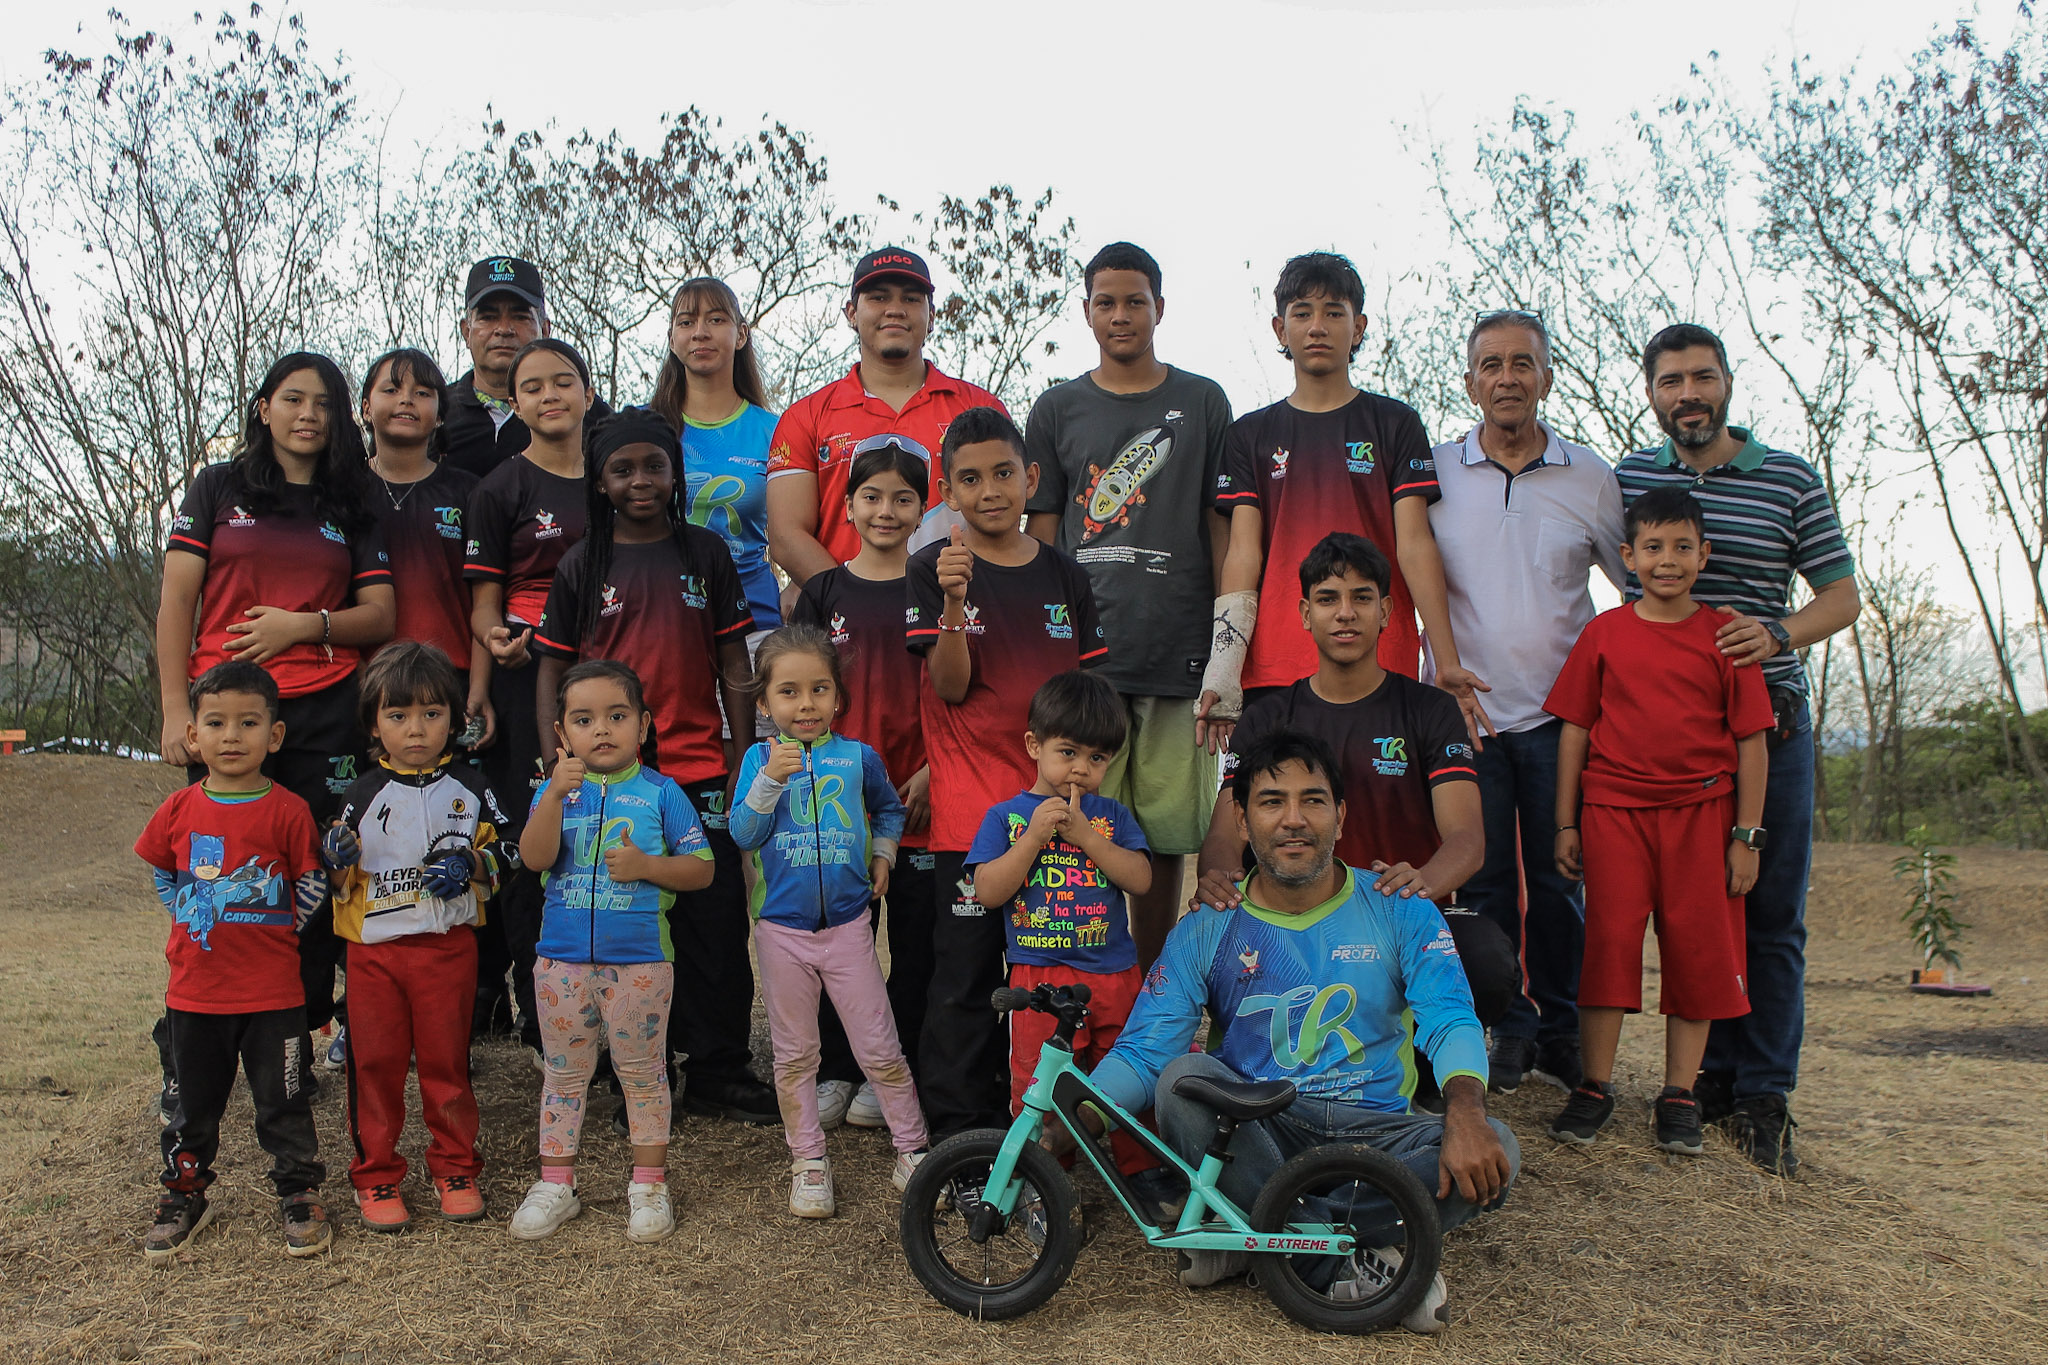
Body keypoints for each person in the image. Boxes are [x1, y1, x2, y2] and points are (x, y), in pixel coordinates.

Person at [1088, 729, 1519, 1333]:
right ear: (1240, 820)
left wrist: (1468, 1113)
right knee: (1183, 1081)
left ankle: (1252, 1236)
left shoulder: (1400, 905)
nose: (1294, 819)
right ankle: (1371, 1259)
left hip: (1374, 1136)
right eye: (1271, 802)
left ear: (1341, 816)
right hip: (1260, 1126)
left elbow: (1450, 1018)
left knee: (1500, 1145)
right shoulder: (1209, 923)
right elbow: (1142, 1052)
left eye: (1313, 800)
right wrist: (1071, 1123)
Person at [1616, 323, 1861, 1175]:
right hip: (1666, 747)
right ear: (1651, 392)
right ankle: (1705, 1080)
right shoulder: (1633, 477)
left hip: (1770, 729)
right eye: (1672, 380)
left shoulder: (1788, 477)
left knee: (1769, 916)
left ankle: (1763, 1092)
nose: (1689, 393)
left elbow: (1841, 596)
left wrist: (1777, 633)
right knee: (1695, 917)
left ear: (1726, 384)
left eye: (1702, 377)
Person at [530, 408, 774, 1125]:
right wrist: (558, 757)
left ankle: (720, 1065)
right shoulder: (584, 561)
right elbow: (552, 662)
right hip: (609, 777)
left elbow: (734, 659)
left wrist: (739, 753)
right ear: (600, 481)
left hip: (697, 766)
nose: (640, 480)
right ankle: (634, 1064)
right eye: (622, 468)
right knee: (619, 915)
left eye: (654, 466)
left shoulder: (705, 551)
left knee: (715, 917)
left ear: (675, 474)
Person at [155, 352, 395, 1058]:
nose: (309, 415)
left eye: (324, 403)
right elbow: (176, 601)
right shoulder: (219, 487)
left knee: (315, 871)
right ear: (264, 408)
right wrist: (176, 710)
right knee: (223, 878)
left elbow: (380, 614)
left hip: (325, 709)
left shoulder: (351, 503)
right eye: (293, 399)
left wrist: (305, 624)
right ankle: (196, 1033)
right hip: (228, 714)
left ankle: (293, 1029)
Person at [1427, 311, 1626, 1095]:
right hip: (1468, 717)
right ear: (1469, 379)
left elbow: (1636, 586)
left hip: (1561, 720)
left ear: (1547, 375)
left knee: (1557, 880)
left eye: (1523, 363)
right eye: (1490, 364)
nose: (1506, 377)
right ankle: (1503, 1027)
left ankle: (1561, 1028)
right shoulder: (1436, 472)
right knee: (1482, 889)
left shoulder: (1591, 476)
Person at [1543, 487, 1773, 1157]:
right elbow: (1575, 730)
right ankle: (1595, 1084)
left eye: (1680, 547)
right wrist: (1566, 823)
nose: (1666, 560)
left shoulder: (1725, 634)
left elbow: (1752, 742)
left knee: (1698, 949)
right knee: (1609, 942)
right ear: (1627, 556)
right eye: (1652, 547)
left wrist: (1746, 835)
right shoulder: (1606, 633)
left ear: (1704, 554)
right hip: (1614, 812)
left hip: (1703, 815)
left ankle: (1679, 1092)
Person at [1024, 242, 1235, 967]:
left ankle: (1151, 987)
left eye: (1135, 300)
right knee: (1079, 822)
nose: (1121, 315)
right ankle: (1085, 982)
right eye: (1106, 302)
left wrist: (1227, 643)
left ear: (1160, 308)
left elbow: (1220, 525)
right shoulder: (1056, 407)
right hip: (1090, 663)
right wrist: (1049, 648)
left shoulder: (1203, 401)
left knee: (1164, 833)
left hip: (1178, 650)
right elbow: (1042, 536)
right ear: (1086, 312)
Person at [905, 405, 1106, 1138]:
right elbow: (951, 686)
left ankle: (1044, 1125)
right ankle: (960, 1134)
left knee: (1047, 981)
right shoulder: (932, 569)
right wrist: (957, 603)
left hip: (1053, 820)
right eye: (969, 478)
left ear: (1029, 478)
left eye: (1001, 473)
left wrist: (1089, 807)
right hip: (968, 821)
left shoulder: (1066, 576)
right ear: (948, 491)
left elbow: (1088, 710)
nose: (989, 490)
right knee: (963, 979)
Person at [1201, 252, 1486, 747]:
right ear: (1279, 328)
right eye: (1302, 312)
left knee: (1375, 815)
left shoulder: (1394, 424)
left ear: (1358, 328)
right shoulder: (1249, 433)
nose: (1317, 326)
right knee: (1282, 816)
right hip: (1276, 662)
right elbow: (1243, 554)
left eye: (1334, 312)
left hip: (1379, 658)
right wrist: (1224, 667)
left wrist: (1445, 660)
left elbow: (1414, 544)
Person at [509, 661, 717, 1244]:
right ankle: (556, 1185)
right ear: (562, 735)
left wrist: (648, 867)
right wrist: (552, 795)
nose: (602, 729)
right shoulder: (556, 793)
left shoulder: (661, 793)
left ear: (644, 725)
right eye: (584, 719)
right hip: (561, 963)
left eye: (617, 716)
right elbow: (534, 858)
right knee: (563, 1076)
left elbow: (702, 869)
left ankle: (649, 1185)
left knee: (644, 1075)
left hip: (642, 964)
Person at [136, 660, 332, 1261]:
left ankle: (299, 1192)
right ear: (193, 735)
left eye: (248, 723)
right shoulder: (178, 809)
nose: (231, 736)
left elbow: (312, 884)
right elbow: (160, 870)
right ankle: (185, 1190)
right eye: (216, 723)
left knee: (285, 1102)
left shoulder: (289, 810)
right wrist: (194, 914)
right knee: (191, 1106)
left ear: (273, 736)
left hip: (275, 996)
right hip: (195, 993)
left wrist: (276, 933)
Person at [730, 626, 930, 1217]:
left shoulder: (857, 756)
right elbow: (743, 832)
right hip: (782, 933)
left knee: (881, 1047)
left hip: (849, 927)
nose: (806, 703)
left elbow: (890, 807)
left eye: (819, 689)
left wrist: (884, 855)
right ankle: (809, 1162)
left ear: (838, 697)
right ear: (764, 705)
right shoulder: (756, 760)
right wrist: (769, 781)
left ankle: (913, 1152)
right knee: (795, 1056)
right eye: (789, 693)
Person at [322, 643, 514, 1230]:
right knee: (374, 1064)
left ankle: (455, 1166)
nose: (415, 729)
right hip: (374, 955)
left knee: (445, 1063)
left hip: (447, 950)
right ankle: (376, 1175)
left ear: (454, 720)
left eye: (432, 714)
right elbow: (335, 877)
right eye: (398, 715)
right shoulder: (358, 794)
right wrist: (333, 855)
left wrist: (471, 864)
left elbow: (510, 852)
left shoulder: (474, 786)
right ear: (374, 723)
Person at [965, 670, 1162, 1185]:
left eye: (1097, 759)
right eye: (1068, 752)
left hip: (1114, 974)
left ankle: (1144, 1172)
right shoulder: (1006, 817)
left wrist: (1087, 838)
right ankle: (1046, 1178)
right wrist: (1033, 836)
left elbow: (1140, 878)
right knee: (1041, 1081)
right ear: (1034, 744)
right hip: (1038, 981)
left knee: (1126, 1073)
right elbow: (988, 892)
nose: (1081, 769)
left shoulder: (1111, 816)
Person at [790, 444, 937, 1130]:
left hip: (917, 797)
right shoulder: (824, 593)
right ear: (847, 506)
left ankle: (891, 1068)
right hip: (835, 802)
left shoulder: (931, 588)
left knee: (913, 942)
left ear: (922, 509)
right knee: (838, 936)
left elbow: (957, 692)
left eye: (903, 498)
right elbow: (796, 691)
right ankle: (838, 1067)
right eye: (871, 496)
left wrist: (938, 767)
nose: (886, 510)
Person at [462, 338, 594, 1049]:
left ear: (587, 392)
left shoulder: (612, 476)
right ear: (514, 403)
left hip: (605, 676)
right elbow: (482, 608)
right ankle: (541, 1016)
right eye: (533, 386)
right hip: (526, 677)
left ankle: (616, 1013)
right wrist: (492, 651)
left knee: (604, 830)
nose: (550, 395)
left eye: (563, 382)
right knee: (533, 835)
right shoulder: (500, 488)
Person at [765, 246, 1007, 608]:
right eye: (878, 297)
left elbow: (1003, 515)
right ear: (851, 312)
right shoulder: (806, 416)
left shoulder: (980, 407)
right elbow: (786, 536)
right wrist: (853, 601)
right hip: (846, 622)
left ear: (932, 315)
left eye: (911, 298)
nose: (895, 309)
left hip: (960, 617)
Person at [357, 348, 494, 740]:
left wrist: (480, 690)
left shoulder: (470, 492)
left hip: (452, 683)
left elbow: (484, 597)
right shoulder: (341, 491)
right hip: (367, 683)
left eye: (422, 392)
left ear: (440, 414)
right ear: (366, 408)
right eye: (392, 389)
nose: (406, 400)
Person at [651, 275, 783, 631]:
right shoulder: (646, 429)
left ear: (741, 335)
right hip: (663, 616)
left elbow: (803, 530)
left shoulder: (776, 431)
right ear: (672, 339)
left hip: (755, 620)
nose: (700, 332)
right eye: (686, 321)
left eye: (716, 319)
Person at [441, 257, 612, 479]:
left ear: (545, 328)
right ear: (466, 331)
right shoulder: (435, 412)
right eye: (489, 317)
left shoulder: (586, 413)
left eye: (520, 317)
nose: (504, 329)